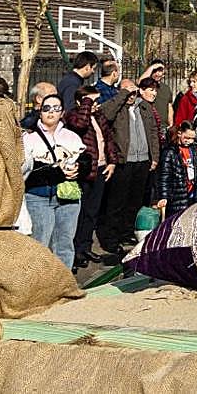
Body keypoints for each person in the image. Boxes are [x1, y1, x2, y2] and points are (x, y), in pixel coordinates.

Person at [22, 93, 89, 270]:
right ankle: (39, 285)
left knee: (65, 244)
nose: (51, 112)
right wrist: (57, 173)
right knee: (40, 244)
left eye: (56, 108)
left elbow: (86, 161)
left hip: (68, 197)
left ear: (62, 112)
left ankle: (63, 283)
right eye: (46, 108)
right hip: (38, 197)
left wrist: (79, 168)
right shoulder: (28, 138)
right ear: (40, 112)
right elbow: (26, 170)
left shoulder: (71, 137)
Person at [97, 79, 160, 254]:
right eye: (127, 92)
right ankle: (111, 238)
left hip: (142, 160)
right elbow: (105, 114)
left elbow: (153, 132)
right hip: (123, 161)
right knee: (117, 202)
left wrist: (154, 156)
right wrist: (123, 95)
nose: (131, 96)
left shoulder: (144, 107)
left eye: (133, 92)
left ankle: (126, 231)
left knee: (135, 201)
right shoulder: (117, 107)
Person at [63, 85, 119, 270]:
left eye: (96, 101)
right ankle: (76, 249)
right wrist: (86, 103)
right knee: (80, 212)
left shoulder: (99, 116)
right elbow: (79, 125)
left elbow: (108, 139)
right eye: (91, 101)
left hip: (101, 168)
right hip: (85, 171)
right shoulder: (73, 115)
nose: (95, 105)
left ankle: (85, 246)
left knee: (92, 212)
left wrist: (112, 161)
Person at [155, 124, 197, 216]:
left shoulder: (193, 150)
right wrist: (163, 196)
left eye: (192, 139)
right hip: (176, 196)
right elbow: (164, 176)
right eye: (186, 137)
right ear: (179, 133)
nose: (189, 141)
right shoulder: (170, 152)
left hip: (193, 193)